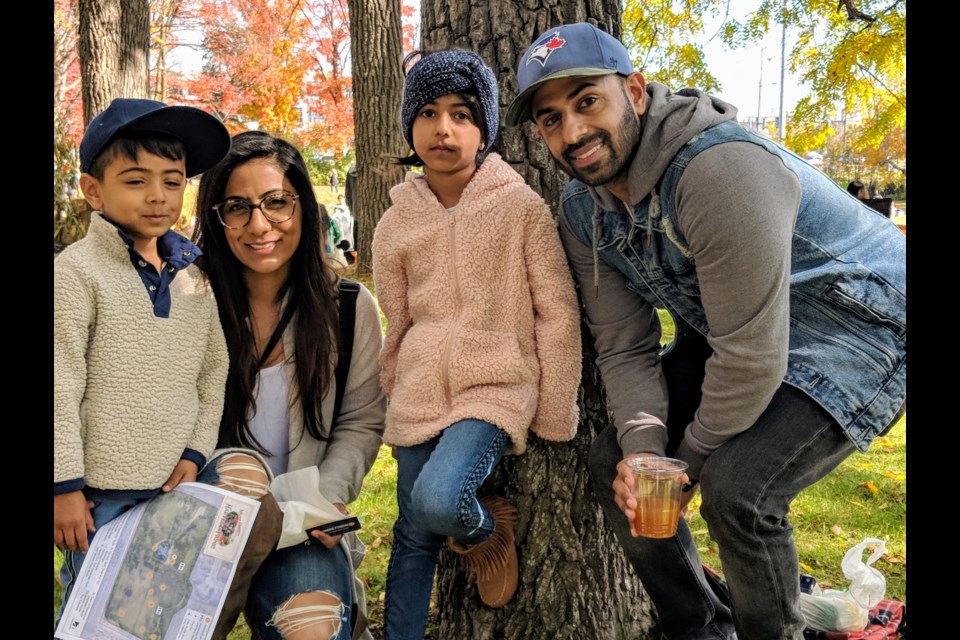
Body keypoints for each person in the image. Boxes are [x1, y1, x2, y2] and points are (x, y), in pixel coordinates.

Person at [506, 22, 906, 640]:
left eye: (588, 100)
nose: (573, 132)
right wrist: (646, 452)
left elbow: (749, 360)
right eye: (550, 118)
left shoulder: (718, 170)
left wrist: (683, 467)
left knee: (738, 491)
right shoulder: (582, 211)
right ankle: (698, 626)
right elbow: (623, 342)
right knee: (618, 458)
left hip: (862, 322)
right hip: (740, 329)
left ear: (634, 91)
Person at [54, 98, 283, 639]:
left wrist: (195, 451)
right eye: (135, 181)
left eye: (172, 181)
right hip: (97, 499)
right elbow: (59, 381)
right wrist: (62, 485)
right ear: (94, 190)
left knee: (154, 612)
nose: (157, 196)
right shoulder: (76, 273)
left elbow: (212, 373)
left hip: (176, 488)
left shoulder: (194, 276)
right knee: (95, 618)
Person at [372, 49, 582, 639]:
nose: (444, 128)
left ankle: (488, 532)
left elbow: (557, 312)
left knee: (439, 503)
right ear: (410, 125)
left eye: (463, 114)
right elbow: (400, 317)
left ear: (485, 128)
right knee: (412, 536)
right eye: (430, 113)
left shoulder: (520, 208)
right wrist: (394, 392)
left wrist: (553, 406)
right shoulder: (394, 223)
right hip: (418, 390)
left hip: (493, 386)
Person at [193, 130, 386, 640]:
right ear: (216, 217)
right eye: (237, 207)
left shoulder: (348, 307)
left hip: (297, 525)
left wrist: (328, 496)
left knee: (313, 627)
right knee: (239, 474)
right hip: (202, 514)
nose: (259, 225)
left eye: (277, 203)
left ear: (303, 204)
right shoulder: (188, 303)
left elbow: (361, 420)